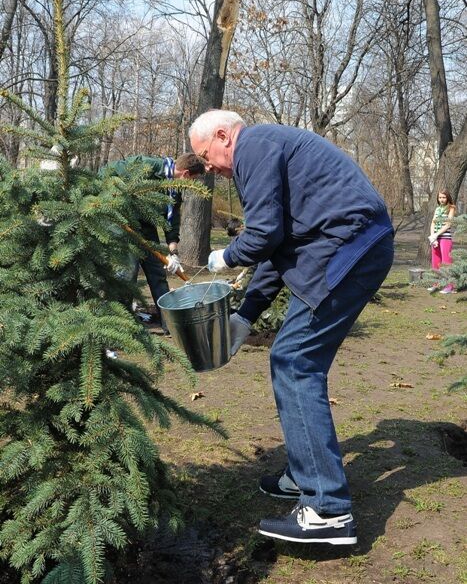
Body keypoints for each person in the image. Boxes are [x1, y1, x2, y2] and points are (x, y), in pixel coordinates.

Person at [189, 110, 394, 545]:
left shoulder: (255, 148)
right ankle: (306, 476)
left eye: (206, 156)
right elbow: (279, 248)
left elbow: (262, 236)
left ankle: (326, 510)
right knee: (291, 358)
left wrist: (225, 257)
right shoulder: (264, 150)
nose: (209, 168)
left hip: (350, 246)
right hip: (343, 246)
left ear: (224, 135)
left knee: (295, 361)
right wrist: (246, 315)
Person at [103, 152, 205, 331]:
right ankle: (119, 327)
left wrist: (173, 253)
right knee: (128, 273)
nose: (191, 185)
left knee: (157, 273)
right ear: (186, 174)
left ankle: (170, 324)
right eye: (193, 181)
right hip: (123, 224)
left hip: (147, 229)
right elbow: (108, 172)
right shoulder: (146, 165)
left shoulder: (174, 189)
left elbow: (171, 222)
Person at [428, 189, 456, 294]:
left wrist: (436, 234)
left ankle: (450, 286)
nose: (442, 199)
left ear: (447, 198)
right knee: (435, 262)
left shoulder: (451, 208)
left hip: (445, 239)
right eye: (440, 197)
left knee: (446, 263)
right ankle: (436, 284)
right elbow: (433, 223)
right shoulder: (437, 209)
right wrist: (433, 236)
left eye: (444, 197)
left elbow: (448, 224)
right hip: (436, 239)